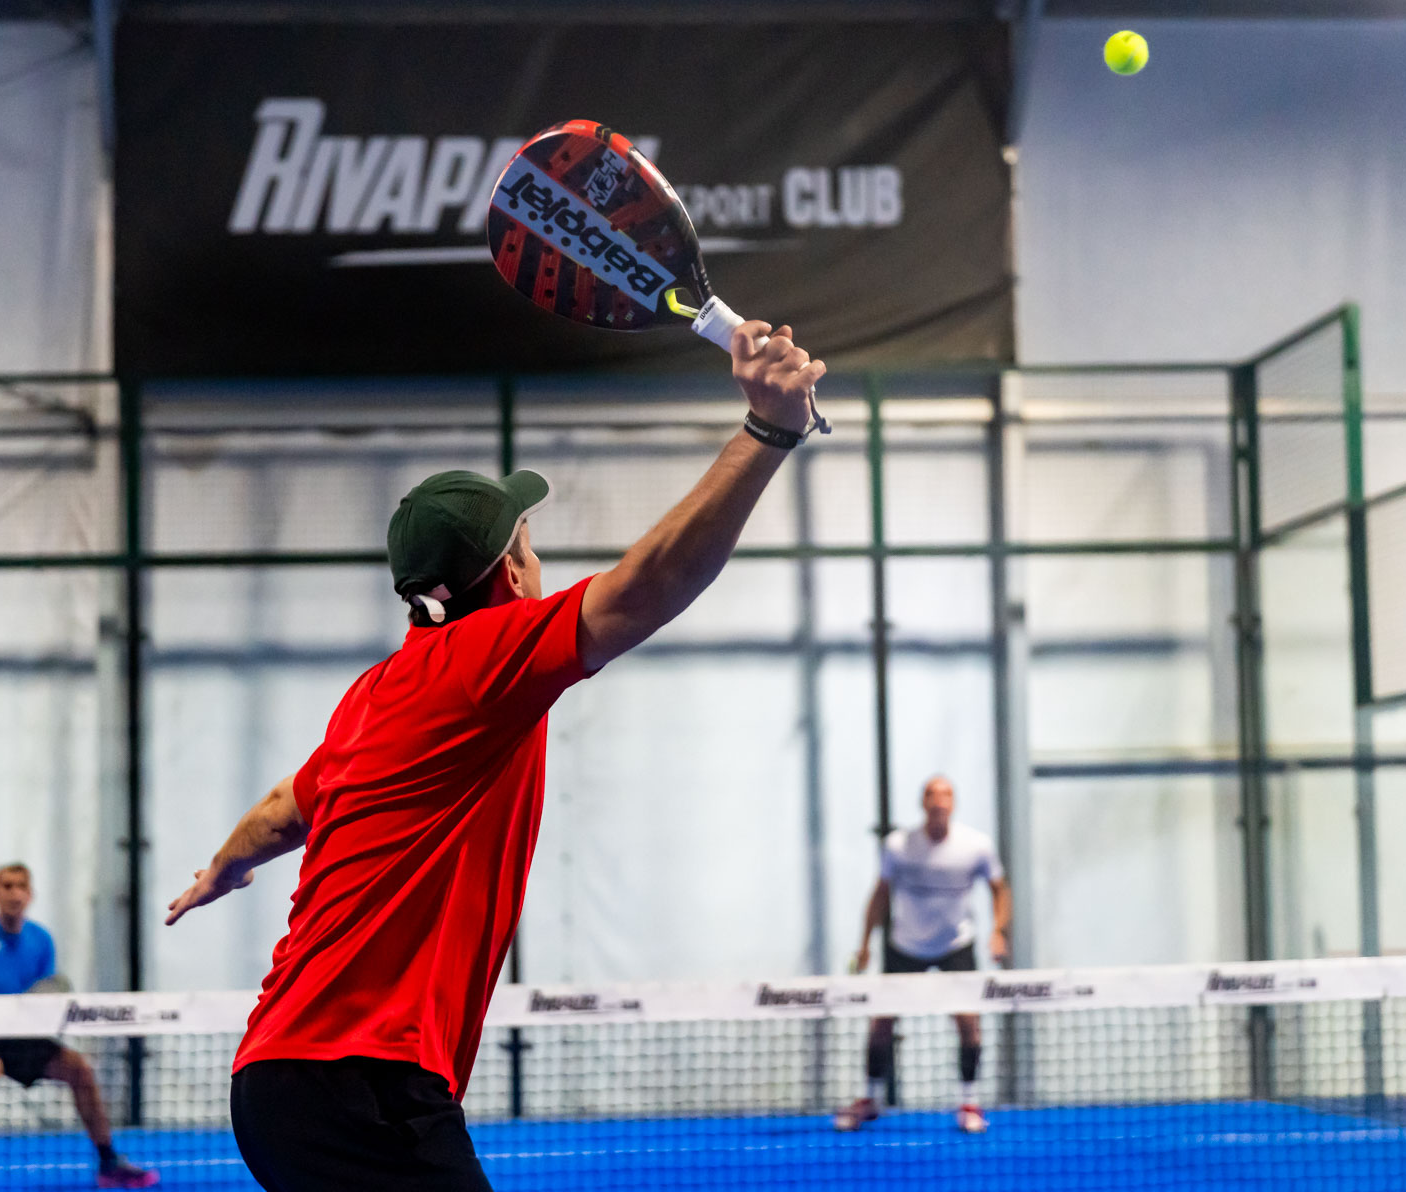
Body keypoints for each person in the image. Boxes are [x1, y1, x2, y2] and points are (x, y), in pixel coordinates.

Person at [164, 322, 826, 1191]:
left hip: (279, 1080)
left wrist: (224, 867)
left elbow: (286, 808)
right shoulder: (485, 659)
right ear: (511, 576)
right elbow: (650, 585)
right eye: (529, 545)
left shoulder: (375, 694)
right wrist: (768, 430)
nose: (538, 560)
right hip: (359, 1082)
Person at [0, 863, 158, 1191]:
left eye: (21, 886)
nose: (14, 893)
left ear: (30, 894)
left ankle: (109, 1162)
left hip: (18, 1035)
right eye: (7, 886)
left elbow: (45, 996)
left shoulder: (41, 940)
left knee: (79, 1070)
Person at [835, 776, 1012, 1135]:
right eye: (932, 794)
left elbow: (1000, 889)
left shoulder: (976, 845)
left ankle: (969, 1102)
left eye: (946, 794)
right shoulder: (899, 845)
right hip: (905, 946)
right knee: (881, 1025)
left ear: (954, 803)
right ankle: (870, 1099)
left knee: (969, 1026)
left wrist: (998, 931)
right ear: (923, 803)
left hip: (956, 945)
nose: (939, 801)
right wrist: (865, 944)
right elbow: (880, 894)